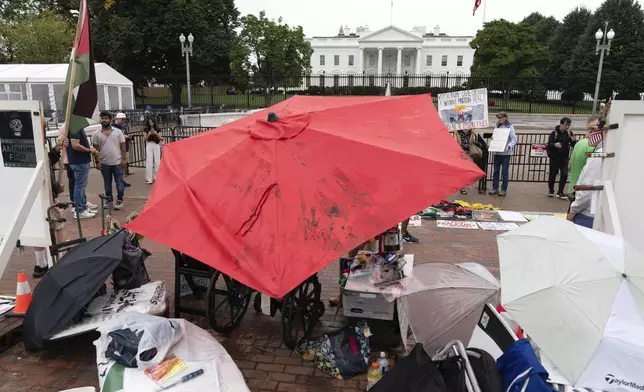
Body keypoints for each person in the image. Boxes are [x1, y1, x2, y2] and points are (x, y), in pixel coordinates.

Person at [567, 127, 604, 229]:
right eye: (589, 130)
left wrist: (573, 210)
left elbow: (587, 187)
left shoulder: (598, 154)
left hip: (586, 213)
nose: (590, 134)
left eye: (593, 130)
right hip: (589, 208)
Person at [93, 111, 127, 210]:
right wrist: (97, 162)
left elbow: (123, 146)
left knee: (119, 182)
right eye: (102, 118)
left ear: (110, 120)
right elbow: (95, 149)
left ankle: (120, 200)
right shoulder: (96, 133)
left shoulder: (118, 132)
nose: (104, 120)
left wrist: (124, 159)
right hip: (104, 163)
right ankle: (109, 200)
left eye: (106, 118)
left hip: (117, 162)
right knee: (107, 183)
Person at [67, 121, 100, 219]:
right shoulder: (75, 128)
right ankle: (80, 210)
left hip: (80, 161)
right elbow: (75, 145)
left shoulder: (76, 127)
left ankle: (83, 207)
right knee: (79, 186)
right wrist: (89, 150)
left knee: (81, 185)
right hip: (79, 161)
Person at [568, 116, 601, 194]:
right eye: (591, 129)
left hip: (573, 188)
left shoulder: (579, 143)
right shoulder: (595, 148)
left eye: (594, 128)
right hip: (583, 193)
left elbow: (569, 165)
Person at [547, 117, 576, 199]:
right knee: (553, 175)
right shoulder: (554, 133)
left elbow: (574, 145)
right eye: (566, 125)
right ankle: (551, 190)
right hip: (555, 158)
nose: (567, 127)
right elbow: (549, 144)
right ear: (561, 124)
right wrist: (554, 145)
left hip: (564, 158)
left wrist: (573, 141)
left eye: (568, 125)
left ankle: (560, 192)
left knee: (564, 174)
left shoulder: (569, 133)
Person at [454, 128, 488, 195]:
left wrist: (472, 133)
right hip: (462, 152)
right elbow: (459, 142)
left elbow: (471, 142)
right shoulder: (458, 131)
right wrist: (457, 133)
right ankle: (462, 187)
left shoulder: (471, 131)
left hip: (469, 152)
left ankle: (467, 183)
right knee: (463, 170)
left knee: (467, 170)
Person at [489, 112, 516, 197]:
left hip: (505, 153)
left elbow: (514, 139)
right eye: (498, 118)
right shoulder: (497, 126)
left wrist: (509, 146)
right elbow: (495, 137)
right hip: (497, 152)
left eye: (501, 118)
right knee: (496, 171)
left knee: (504, 172)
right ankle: (495, 188)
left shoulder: (510, 127)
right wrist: (493, 139)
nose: (499, 119)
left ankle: (503, 189)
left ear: (505, 118)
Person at [112, 112, 132, 187]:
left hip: (124, 147)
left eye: (124, 120)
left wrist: (128, 137)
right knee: (118, 166)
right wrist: (124, 137)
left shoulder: (123, 127)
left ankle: (121, 179)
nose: (123, 121)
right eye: (122, 120)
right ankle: (118, 180)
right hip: (117, 149)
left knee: (123, 165)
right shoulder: (113, 127)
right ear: (118, 119)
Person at [144, 117, 163, 184]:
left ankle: (156, 176)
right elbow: (145, 139)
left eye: (152, 122)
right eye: (149, 122)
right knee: (149, 162)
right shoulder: (146, 129)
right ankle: (149, 179)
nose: (151, 124)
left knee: (157, 162)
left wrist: (156, 134)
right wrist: (149, 134)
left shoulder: (157, 129)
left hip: (156, 145)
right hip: (149, 145)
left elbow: (161, 139)